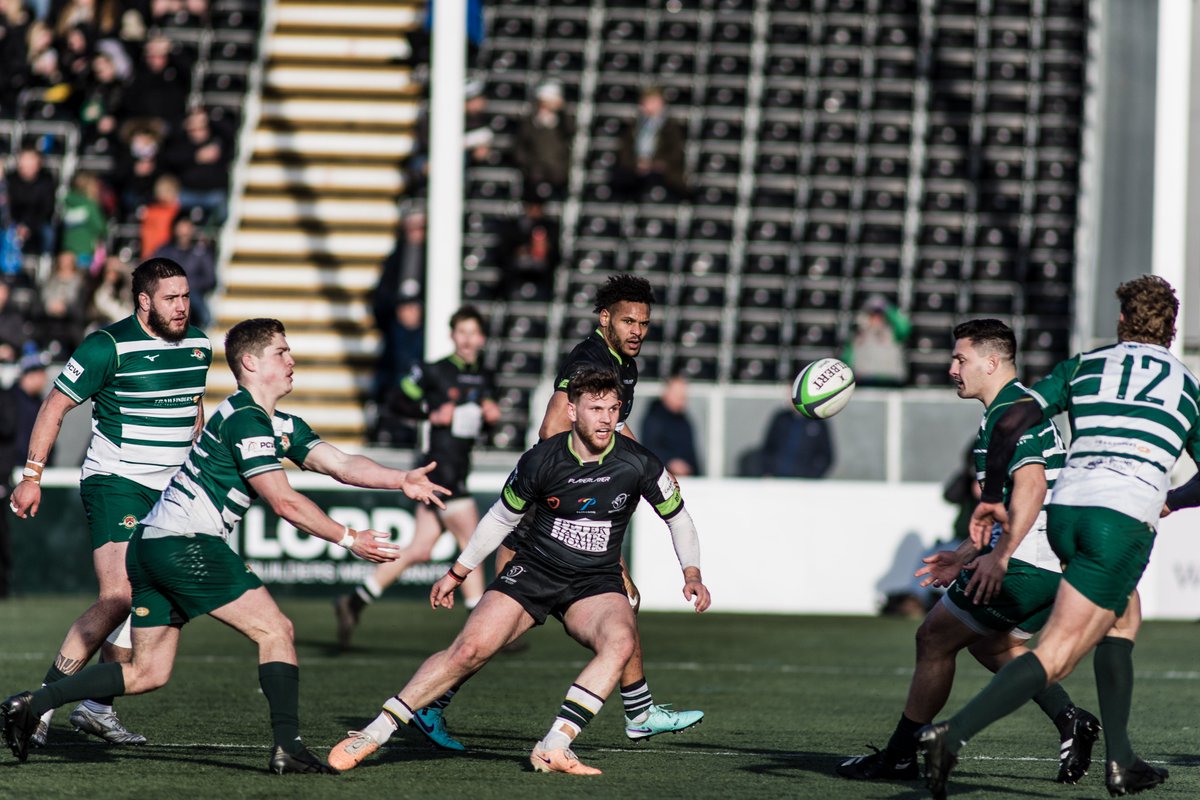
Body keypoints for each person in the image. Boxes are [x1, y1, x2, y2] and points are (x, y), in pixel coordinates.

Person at [0, 317, 450, 771]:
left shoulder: (271, 421)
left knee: (147, 672)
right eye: (281, 352)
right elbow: (284, 502)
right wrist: (350, 537)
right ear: (250, 363)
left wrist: (400, 480)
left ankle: (32, 703)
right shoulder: (246, 419)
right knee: (276, 631)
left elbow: (339, 462)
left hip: (152, 545)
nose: (291, 360)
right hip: (185, 543)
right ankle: (287, 747)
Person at [326, 367, 711, 775]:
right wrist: (457, 572)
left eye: (613, 409)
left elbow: (679, 519)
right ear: (572, 409)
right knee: (469, 650)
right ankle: (375, 731)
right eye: (595, 408)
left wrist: (692, 573)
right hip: (534, 571)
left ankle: (555, 744)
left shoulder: (638, 462)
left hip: (594, 582)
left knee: (621, 641)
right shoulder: (541, 460)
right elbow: (499, 519)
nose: (606, 419)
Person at [919, 276, 1196, 799]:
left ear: (1121, 322)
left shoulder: (1086, 364)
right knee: (1061, 651)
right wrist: (1173, 499)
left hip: (1066, 511)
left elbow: (1013, 420)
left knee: (1122, 619)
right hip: (1120, 519)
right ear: (1173, 328)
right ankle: (950, 736)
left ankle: (1122, 761)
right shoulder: (1185, 384)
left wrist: (993, 494)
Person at [836, 319, 1099, 784]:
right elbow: (1004, 507)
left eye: (961, 359)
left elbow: (1032, 487)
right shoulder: (1015, 407)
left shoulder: (1008, 411)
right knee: (988, 643)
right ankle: (1070, 719)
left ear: (992, 362)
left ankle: (899, 756)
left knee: (933, 639)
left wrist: (999, 558)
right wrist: (964, 554)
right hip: (1047, 562)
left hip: (1026, 562)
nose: (952, 367)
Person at [8, 258, 209, 748]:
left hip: (171, 492)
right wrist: (31, 476)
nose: (181, 306)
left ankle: (96, 709)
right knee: (118, 596)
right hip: (116, 482)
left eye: (185, 296)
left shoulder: (200, 345)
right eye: (170, 298)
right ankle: (42, 705)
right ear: (143, 301)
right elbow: (54, 405)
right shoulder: (108, 346)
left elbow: (194, 408)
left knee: (147, 599)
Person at [336, 306, 501, 657]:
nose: (469, 339)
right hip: (439, 471)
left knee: (420, 549)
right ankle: (481, 630)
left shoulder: (486, 374)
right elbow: (396, 401)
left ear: (483, 338)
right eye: (462, 332)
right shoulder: (434, 371)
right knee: (472, 543)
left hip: (459, 466)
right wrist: (430, 411)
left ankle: (355, 600)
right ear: (453, 335)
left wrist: (491, 418)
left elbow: (479, 424)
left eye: (475, 333)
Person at [0, 353, 48, 598]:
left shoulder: (37, 401)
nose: (44, 378)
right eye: (39, 373)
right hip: (13, 474)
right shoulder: (9, 398)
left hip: (26, 474)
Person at [615, 86, 688, 202]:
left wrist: (654, 164)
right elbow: (625, 151)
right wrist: (637, 164)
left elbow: (675, 152)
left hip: (663, 173)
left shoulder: (672, 127)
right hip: (636, 172)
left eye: (653, 102)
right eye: (647, 102)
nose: (649, 105)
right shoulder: (633, 126)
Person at [151, 210, 215, 328]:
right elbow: (152, 274)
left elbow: (210, 279)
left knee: (196, 307)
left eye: (188, 226)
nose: (184, 230)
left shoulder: (201, 252)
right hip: (167, 295)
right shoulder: (164, 251)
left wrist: (187, 286)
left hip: (193, 295)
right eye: (182, 225)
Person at [514, 80, 574, 203]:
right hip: (534, 175)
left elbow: (570, 131)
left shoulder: (562, 121)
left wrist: (562, 111)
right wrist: (528, 166)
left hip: (557, 174)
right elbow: (521, 145)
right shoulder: (530, 121)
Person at [843, 295, 911, 387]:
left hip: (890, 382)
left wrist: (887, 308)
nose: (876, 318)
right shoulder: (858, 334)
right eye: (873, 314)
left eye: (879, 314)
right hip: (864, 382)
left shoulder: (892, 333)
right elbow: (847, 359)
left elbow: (905, 327)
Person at [640, 373, 700, 476]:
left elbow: (692, 454)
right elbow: (649, 449)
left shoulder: (685, 421)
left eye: (683, 396)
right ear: (666, 393)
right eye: (678, 395)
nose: (682, 399)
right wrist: (670, 462)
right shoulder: (654, 418)